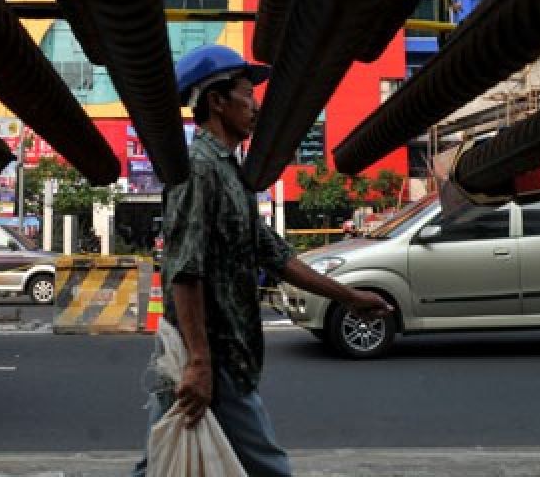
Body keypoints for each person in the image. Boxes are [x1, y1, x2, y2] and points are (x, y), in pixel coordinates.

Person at [134, 44, 393, 476]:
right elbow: (185, 269)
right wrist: (200, 361)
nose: (255, 105)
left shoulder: (229, 172)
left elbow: (276, 256)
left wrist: (349, 297)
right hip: (215, 354)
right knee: (268, 468)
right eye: (247, 93)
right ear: (217, 101)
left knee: (162, 459)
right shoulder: (198, 171)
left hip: (223, 353)